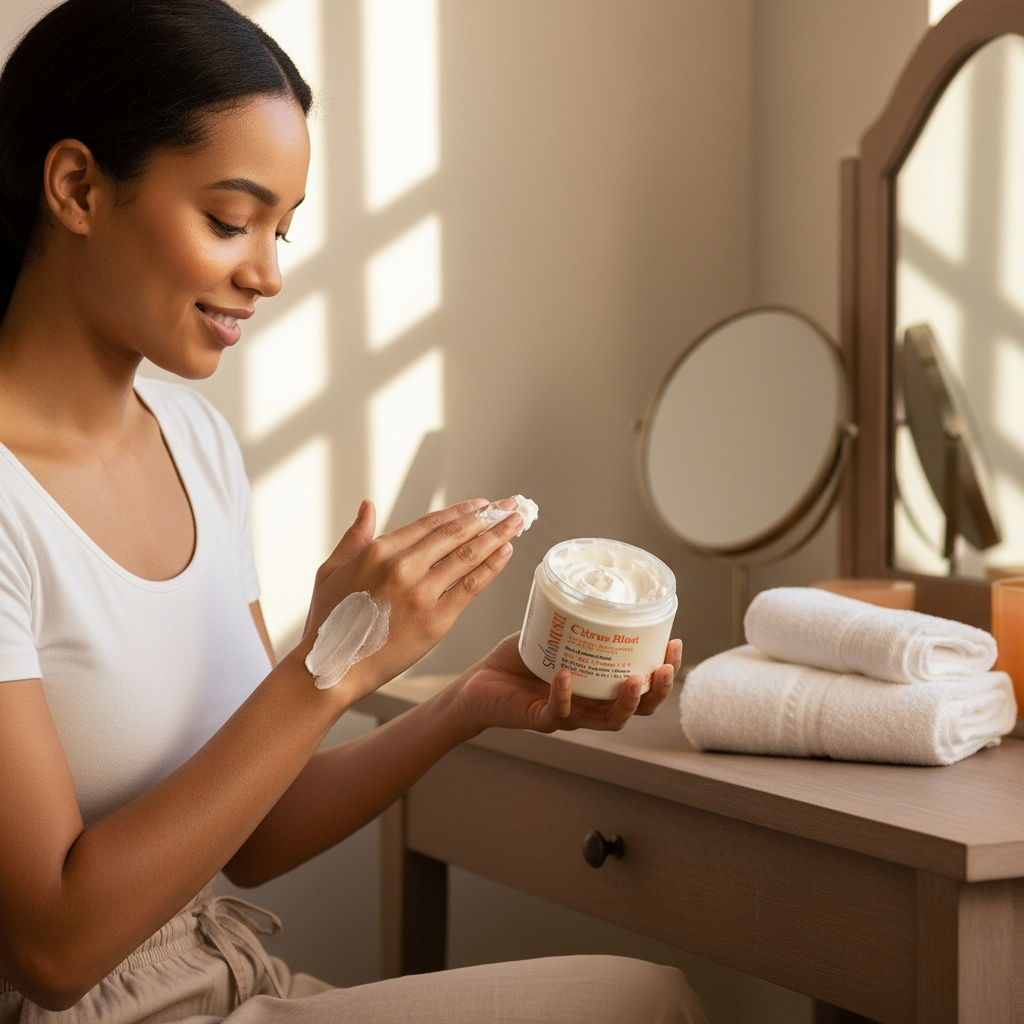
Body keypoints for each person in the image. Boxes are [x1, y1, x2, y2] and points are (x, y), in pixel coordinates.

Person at [0, 1, 710, 1021]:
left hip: (224, 982)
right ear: (75, 186)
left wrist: (463, 699)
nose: (269, 273)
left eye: (282, 230)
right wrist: (329, 665)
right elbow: (53, 948)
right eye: (229, 219)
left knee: (644, 999)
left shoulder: (195, 445)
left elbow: (254, 829)